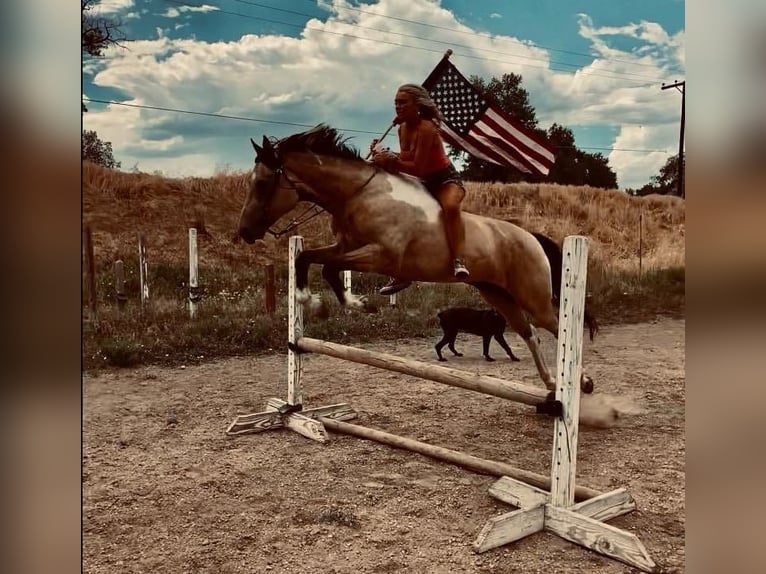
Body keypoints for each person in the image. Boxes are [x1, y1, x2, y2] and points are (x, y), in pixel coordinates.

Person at [370, 83, 469, 296]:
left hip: (445, 180)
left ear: (417, 105)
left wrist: (390, 160)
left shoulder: (427, 129)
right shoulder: (402, 129)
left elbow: (419, 168)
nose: (398, 106)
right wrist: (383, 153)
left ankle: (459, 260)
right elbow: (407, 157)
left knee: (450, 207)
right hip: (422, 181)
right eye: (396, 102)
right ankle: (401, 270)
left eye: (403, 102)